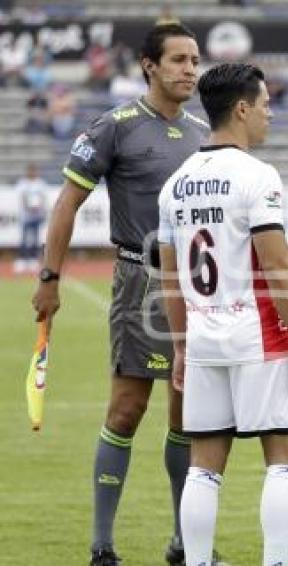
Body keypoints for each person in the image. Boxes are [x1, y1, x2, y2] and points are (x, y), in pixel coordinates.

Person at [30, 23, 209, 566]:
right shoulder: (116, 126)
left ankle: (184, 543)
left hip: (196, 287)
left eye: (194, 60)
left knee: (188, 417)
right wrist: (49, 278)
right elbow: (66, 205)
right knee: (128, 410)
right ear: (149, 65)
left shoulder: (204, 132)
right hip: (141, 280)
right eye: (178, 59)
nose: (189, 70)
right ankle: (102, 545)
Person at [158, 62, 288, 566]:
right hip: (259, 334)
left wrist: (182, 347)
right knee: (285, 458)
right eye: (266, 103)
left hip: (204, 339)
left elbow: (170, 280)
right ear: (243, 108)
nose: (270, 113)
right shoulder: (257, 176)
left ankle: (199, 561)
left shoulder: (176, 183)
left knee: (205, 464)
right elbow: (275, 263)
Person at [14, 162, 48, 274]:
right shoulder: (23, 183)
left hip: (37, 215)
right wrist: (28, 207)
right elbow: (22, 197)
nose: (32, 173)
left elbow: (43, 198)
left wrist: (39, 209)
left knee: (35, 237)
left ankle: (33, 259)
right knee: (24, 238)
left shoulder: (40, 183)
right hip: (26, 216)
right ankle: (23, 260)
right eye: (30, 171)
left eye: (34, 171)